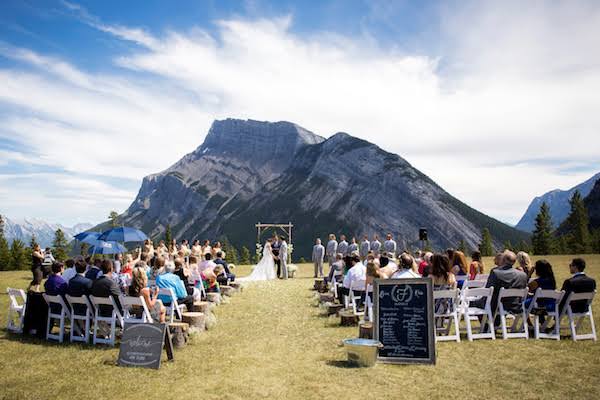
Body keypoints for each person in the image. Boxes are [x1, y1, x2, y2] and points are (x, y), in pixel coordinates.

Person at [484, 251, 528, 316]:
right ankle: (493, 324)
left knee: (473, 303)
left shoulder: (495, 272)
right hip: (517, 305)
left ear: (503, 260)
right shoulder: (523, 275)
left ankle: (487, 325)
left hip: (497, 306)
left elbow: (488, 290)